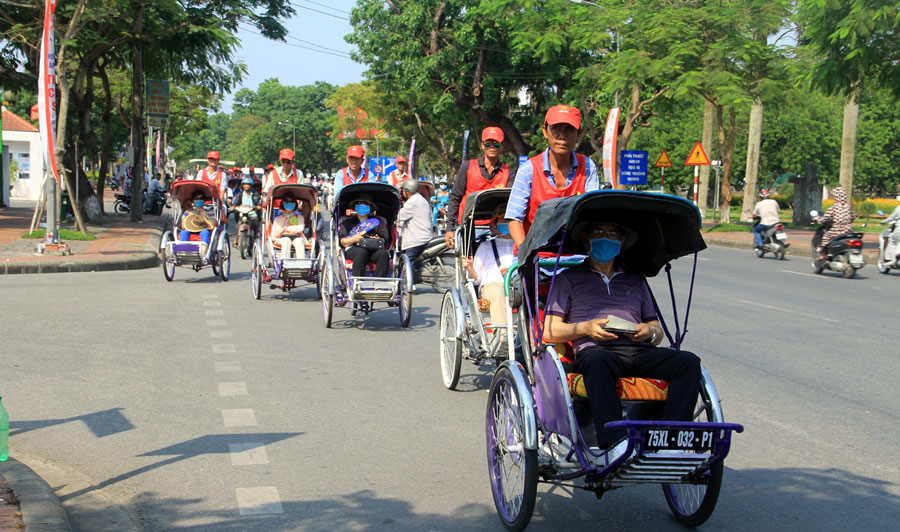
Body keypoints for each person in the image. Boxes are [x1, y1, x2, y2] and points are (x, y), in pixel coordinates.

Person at [542, 220, 701, 459]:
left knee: (688, 362)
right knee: (598, 362)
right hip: (596, 350)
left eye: (613, 234)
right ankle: (613, 443)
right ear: (586, 239)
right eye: (598, 232)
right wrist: (586, 328)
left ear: (622, 241)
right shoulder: (567, 279)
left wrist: (649, 333)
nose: (605, 238)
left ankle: (674, 440)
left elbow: (655, 328)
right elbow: (549, 331)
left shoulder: (635, 280)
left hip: (637, 350)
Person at [505, 105, 601, 248]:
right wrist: (525, 253)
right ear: (545, 131)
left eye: (569, 129)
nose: (562, 136)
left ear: (579, 133)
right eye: (556, 128)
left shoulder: (588, 167)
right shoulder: (528, 170)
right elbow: (514, 218)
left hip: (576, 256)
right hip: (535, 255)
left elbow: (592, 214)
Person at [445, 127, 511, 248]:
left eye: (496, 143)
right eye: (488, 143)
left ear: (502, 146)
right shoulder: (467, 167)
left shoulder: (509, 172)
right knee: (469, 263)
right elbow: (455, 197)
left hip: (496, 228)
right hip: (468, 226)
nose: (492, 146)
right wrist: (450, 228)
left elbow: (511, 204)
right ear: (482, 145)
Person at [461, 205, 515, 331]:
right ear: (495, 224)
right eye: (503, 221)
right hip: (493, 285)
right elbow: (476, 279)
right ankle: (503, 337)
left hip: (517, 284)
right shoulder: (485, 246)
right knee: (498, 295)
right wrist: (470, 269)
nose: (506, 224)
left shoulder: (521, 243)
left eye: (509, 221)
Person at [338, 193, 390, 278]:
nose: (362, 205)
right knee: (361, 253)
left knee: (383, 254)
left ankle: (380, 283)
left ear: (370, 207)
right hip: (354, 249)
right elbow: (342, 242)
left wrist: (377, 239)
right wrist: (354, 239)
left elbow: (385, 239)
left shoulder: (378, 222)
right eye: (359, 203)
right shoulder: (347, 223)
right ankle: (358, 281)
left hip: (374, 249)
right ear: (355, 206)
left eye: (365, 204)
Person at [396, 179, 433, 290]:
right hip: (423, 235)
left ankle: (410, 285)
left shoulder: (413, 202)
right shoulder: (420, 199)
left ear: (407, 191)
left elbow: (399, 216)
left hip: (417, 238)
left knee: (408, 259)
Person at [813, 186, 854, 256]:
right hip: (848, 230)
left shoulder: (833, 208)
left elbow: (824, 219)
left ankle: (821, 251)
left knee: (825, 237)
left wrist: (817, 218)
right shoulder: (848, 206)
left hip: (836, 230)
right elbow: (853, 217)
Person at [271, 193, 309, 259]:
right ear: (283, 203)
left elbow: (300, 228)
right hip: (281, 239)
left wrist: (285, 228)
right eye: (287, 201)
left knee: (299, 241)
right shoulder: (278, 219)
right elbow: (275, 233)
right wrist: (286, 230)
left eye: (291, 201)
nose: (289, 203)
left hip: (297, 237)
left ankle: (302, 263)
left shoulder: (299, 217)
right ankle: (285, 261)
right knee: (286, 240)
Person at [230, 177, 261, 245]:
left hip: (252, 214)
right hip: (242, 214)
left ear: (251, 186)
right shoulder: (239, 195)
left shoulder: (255, 194)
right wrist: (233, 207)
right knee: (238, 225)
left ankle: (256, 239)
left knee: (256, 224)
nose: (246, 186)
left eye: (248, 184)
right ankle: (236, 238)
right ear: (242, 185)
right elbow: (235, 203)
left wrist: (257, 206)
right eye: (245, 184)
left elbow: (259, 203)